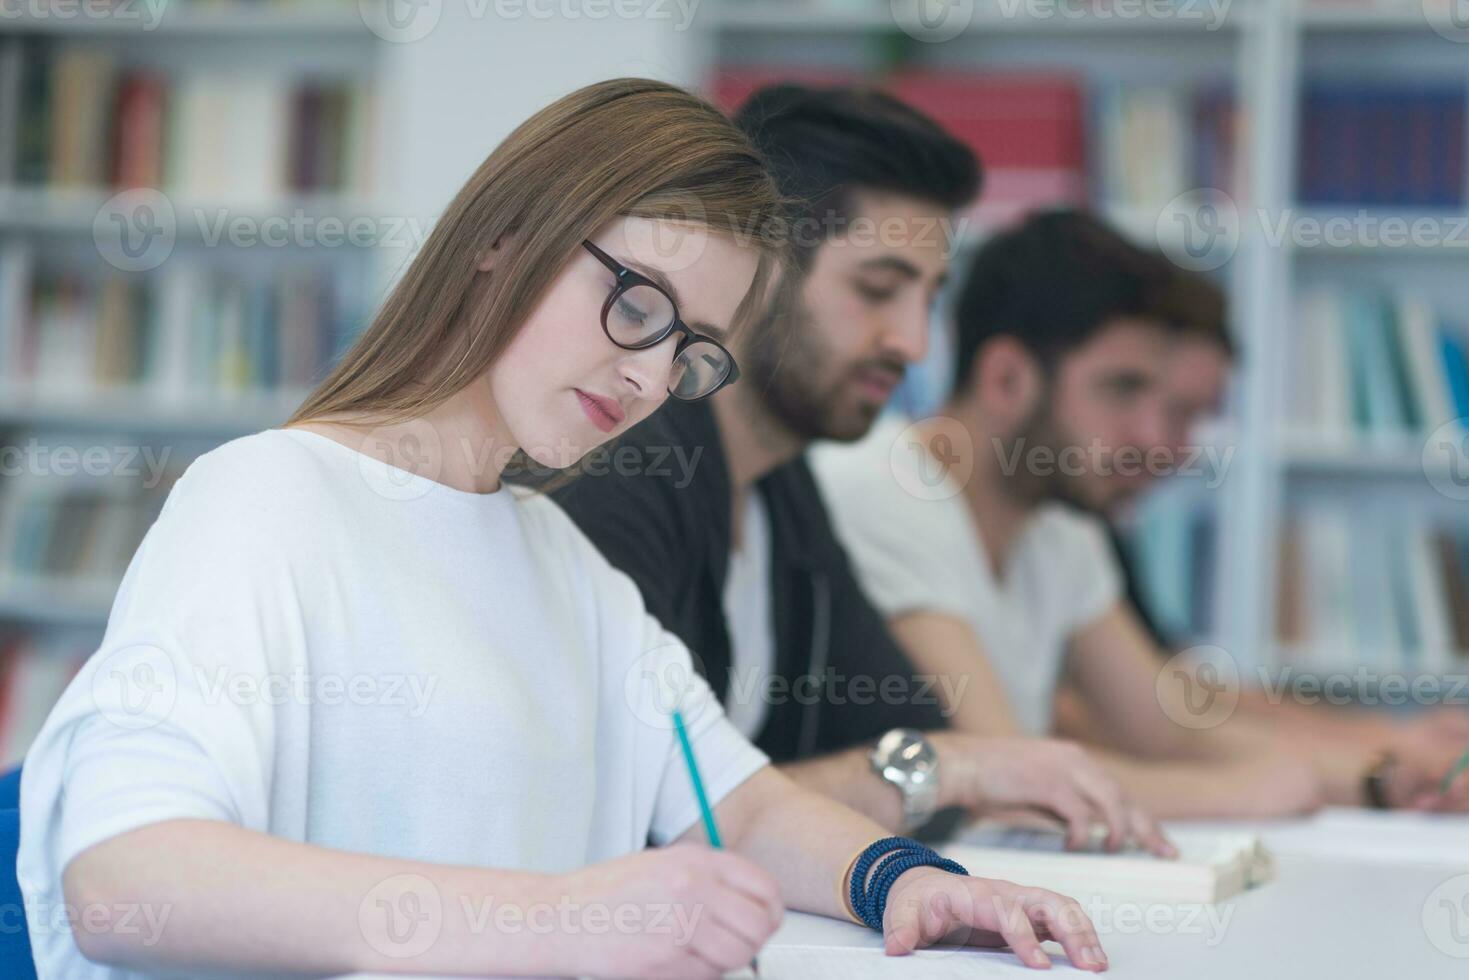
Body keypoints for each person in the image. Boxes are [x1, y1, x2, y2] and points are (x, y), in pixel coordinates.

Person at [18, 81, 1111, 980]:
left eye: (689, 349)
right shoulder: (265, 499)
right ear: (507, 238)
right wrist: (563, 919)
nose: (648, 376)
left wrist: (910, 882)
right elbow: (125, 880)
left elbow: (738, 802)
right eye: (636, 304)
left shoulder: (562, 561)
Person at [542, 84, 1172, 855]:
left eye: (928, 299)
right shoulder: (629, 466)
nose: (910, 343)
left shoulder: (783, 488)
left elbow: (916, 742)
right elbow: (643, 814)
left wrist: (936, 771)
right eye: (877, 290)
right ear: (755, 273)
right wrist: (935, 772)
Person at [810, 208, 1469, 817]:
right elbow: (1005, 777)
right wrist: (1252, 789)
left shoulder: (1057, 522)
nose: (1157, 442)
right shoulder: (885, 486)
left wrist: (1387, 772)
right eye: (1119, 389)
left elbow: (1163, 719)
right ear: (1006, 378)